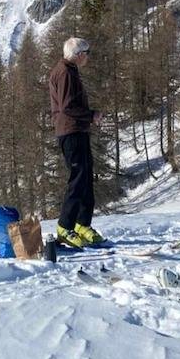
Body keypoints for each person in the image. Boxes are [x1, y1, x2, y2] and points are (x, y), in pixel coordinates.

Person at [49, 37, 105, 248]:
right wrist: (91, 115)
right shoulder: (65, 72)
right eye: (87, 53)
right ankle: (65, 226)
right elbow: (67, 106)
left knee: (86, 177)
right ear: (79, 55)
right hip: (70, 131)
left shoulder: (69, 70)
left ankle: (82, 224)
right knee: (78, 178)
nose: (88, 57)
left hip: (77, 130)